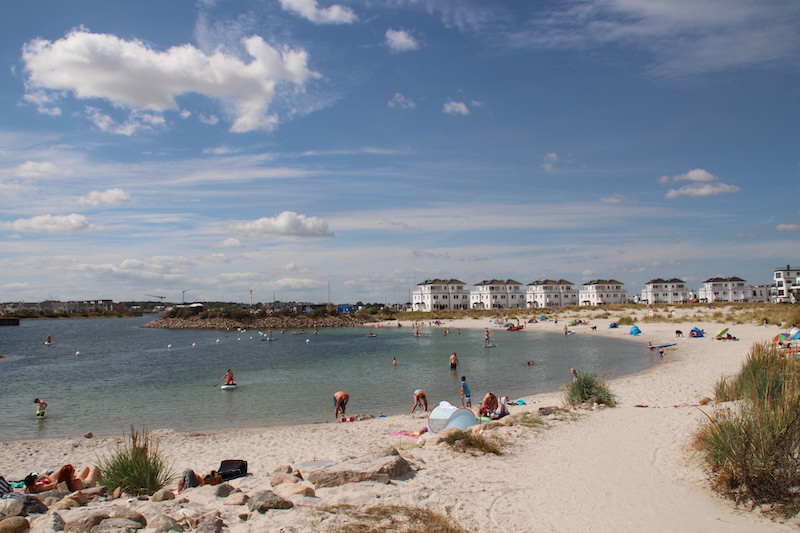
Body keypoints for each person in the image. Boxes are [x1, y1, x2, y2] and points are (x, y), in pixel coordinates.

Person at [24, 464, 99, 493]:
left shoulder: (29, 488)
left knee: (86, 467)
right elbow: (56, 484)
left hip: (76, 482)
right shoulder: (41, 487)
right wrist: (46, 477)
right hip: (87, 484)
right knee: (94, 468)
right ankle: (104, 484)